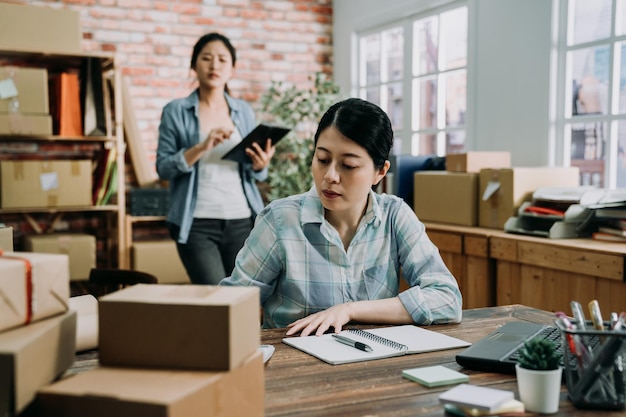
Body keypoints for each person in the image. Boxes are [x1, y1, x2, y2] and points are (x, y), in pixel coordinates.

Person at [220, 98, 462, 336]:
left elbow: (447, 298)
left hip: (372, 360)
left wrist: (350, 310)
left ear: (380, 172)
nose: (330, 176)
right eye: (322, 160)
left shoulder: (394, 216)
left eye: (348, 165)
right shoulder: (280, 220)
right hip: (295, 364)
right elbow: (232, 304)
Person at [156, 32, 275, 285]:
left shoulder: (243, 111)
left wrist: (260, 165)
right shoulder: (176, 111)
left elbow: (256, 173)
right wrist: (201, 147)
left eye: (222, 59)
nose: (214, 65)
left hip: (242, 220)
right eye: (206, 58)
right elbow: (164, 168)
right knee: (216, 299)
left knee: (244, 297)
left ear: (232, 68)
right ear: (194, 65)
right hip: (196, 224)